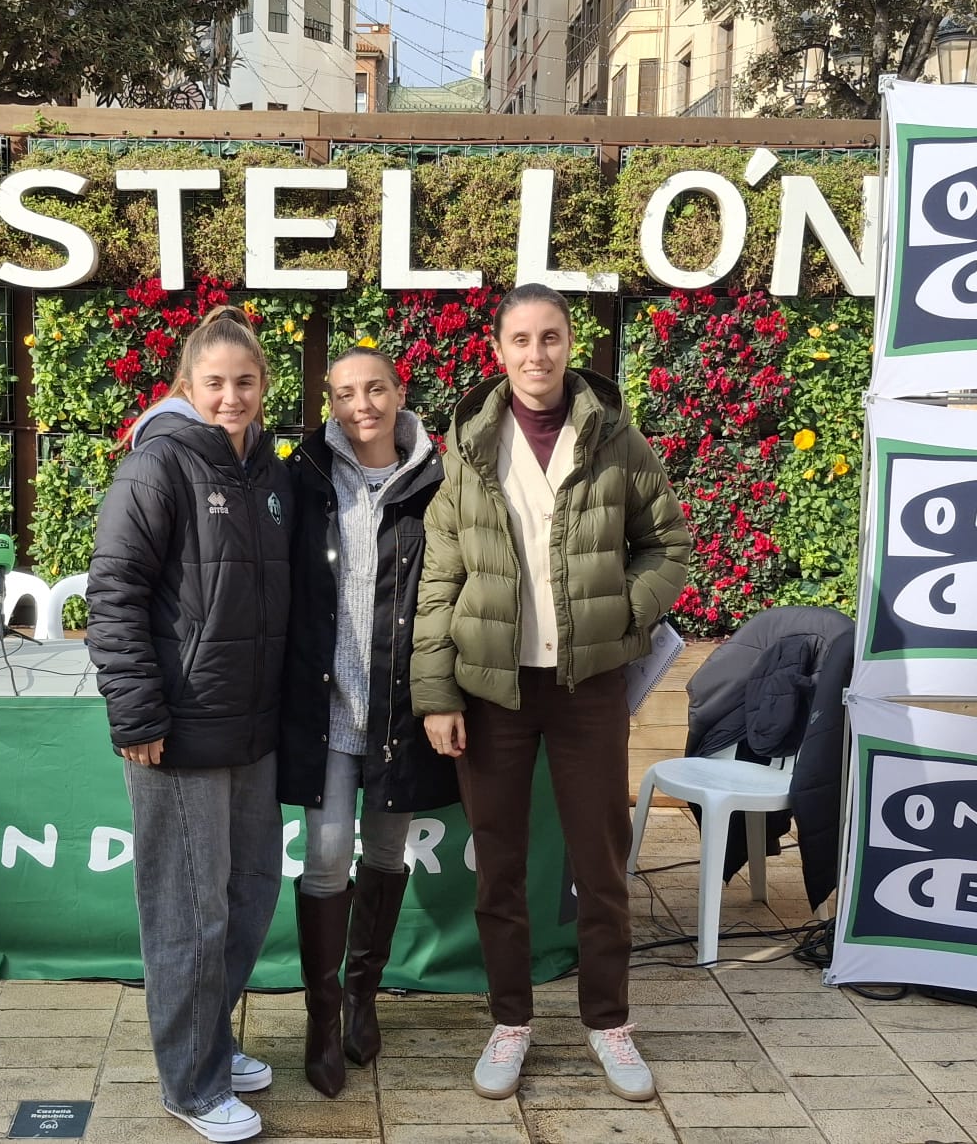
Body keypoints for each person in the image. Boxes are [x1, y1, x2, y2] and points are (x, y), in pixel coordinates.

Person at [410, 283, 693, 1104]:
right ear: (497, 351)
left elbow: (667, 546)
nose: (537, 355)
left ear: (573, 346)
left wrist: (621, 616)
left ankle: (609, 1021)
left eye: (552, 338)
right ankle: (510, 1021)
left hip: (587, 689)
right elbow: (441, 579)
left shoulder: (616, 442)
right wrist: (436, 693)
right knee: (498, 869)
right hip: (492, 688)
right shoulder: (468, 450)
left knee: (600, 866)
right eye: (521, 340)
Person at [87, 306, 293, 1143]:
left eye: (245, 382)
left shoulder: (270, 474)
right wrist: (137, 712)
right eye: (215, 383)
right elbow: (113, 595)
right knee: (188, 913)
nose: (231, 397)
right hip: (176, 734)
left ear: (263, 386)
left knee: (247, 897)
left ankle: (212, 1041)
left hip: (254, 732)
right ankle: (191, 1084)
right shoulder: (156, 467)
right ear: (187, 386)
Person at [280, 347, 456, 1097]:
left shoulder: (437, 484)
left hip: (398, 712)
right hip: (323, 712)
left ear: (398, 391)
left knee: (385, 856)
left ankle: (362, 998)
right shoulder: (305, 477)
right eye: (347, 393)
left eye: (375, 389)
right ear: (330, 400)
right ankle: (321, 1021)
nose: (362, 406)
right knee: (324, 861)